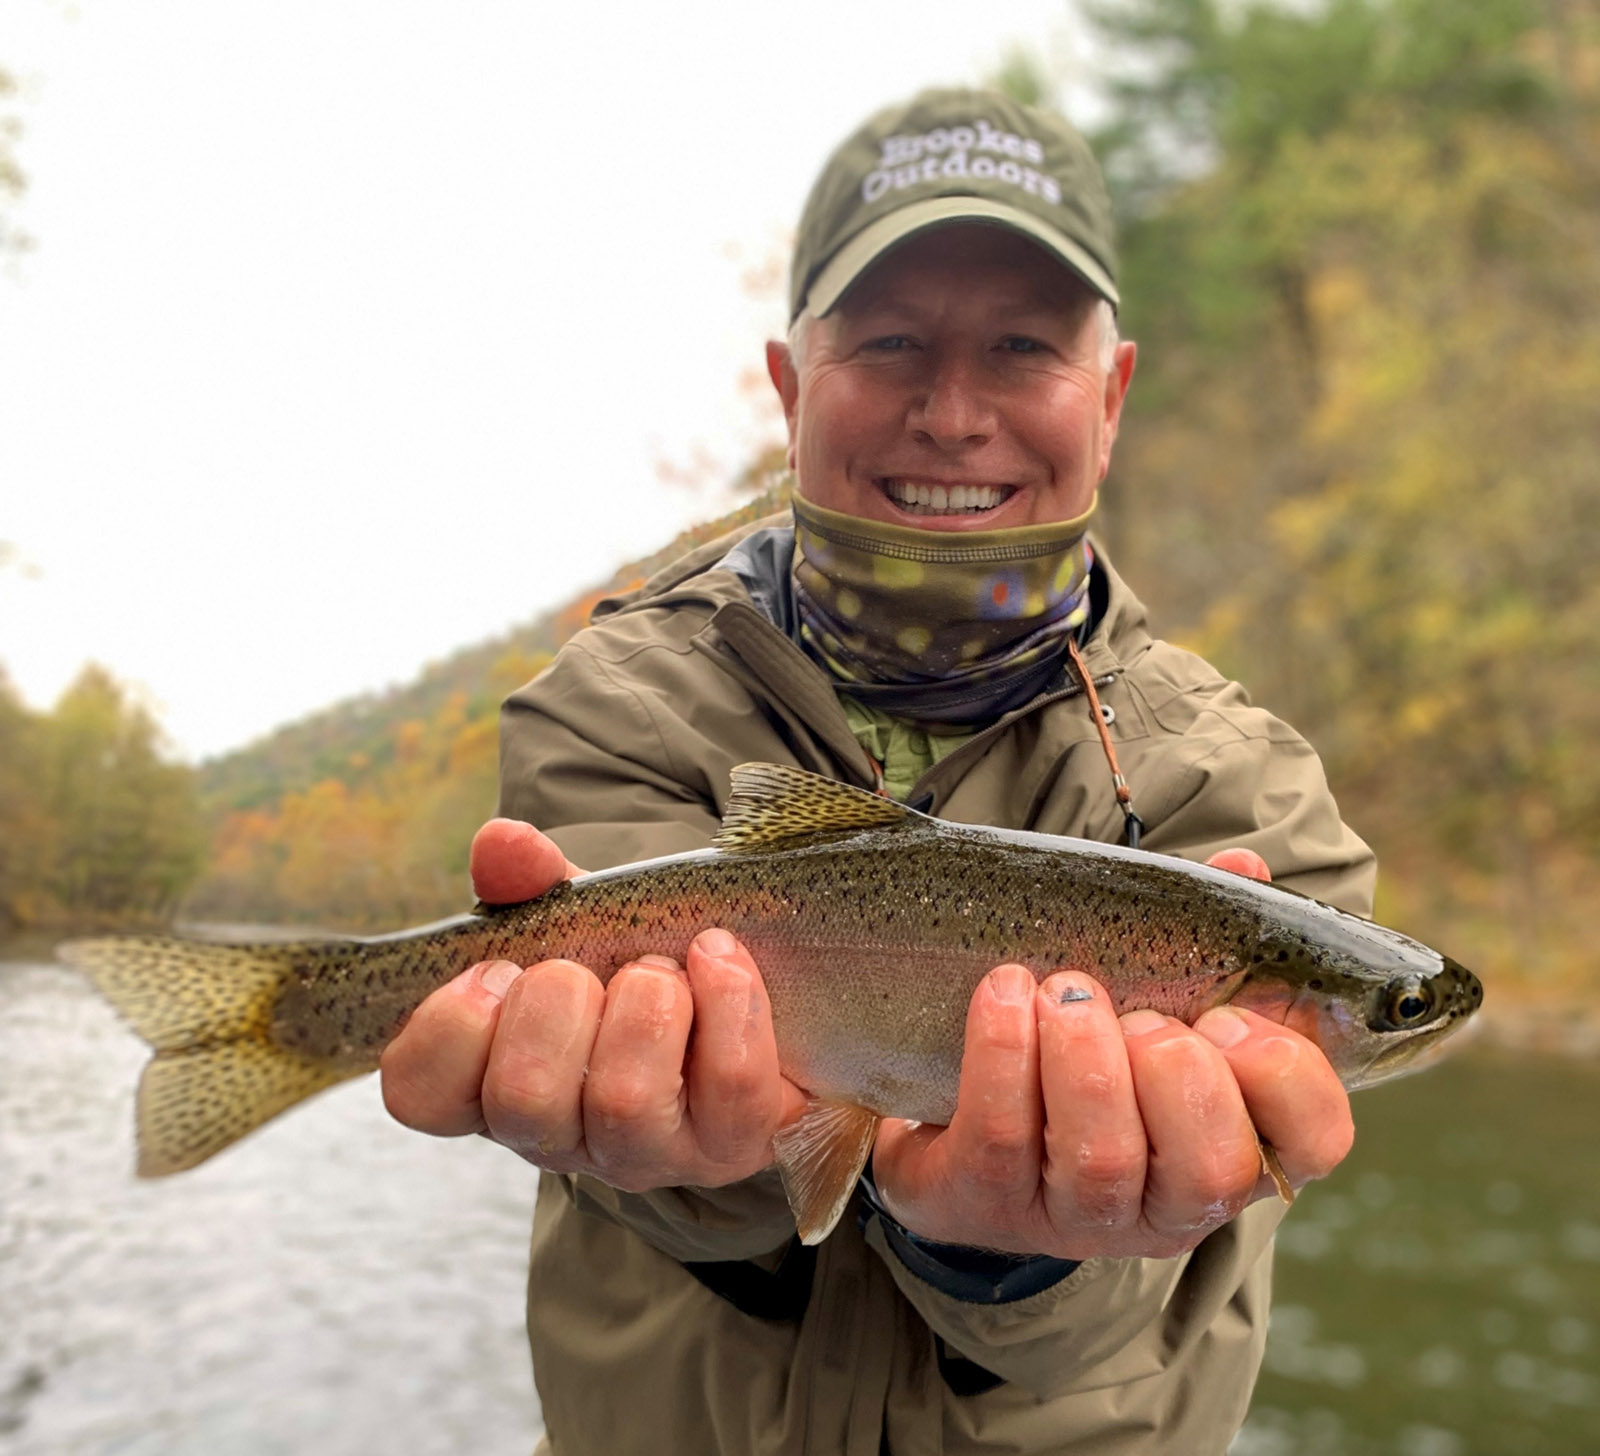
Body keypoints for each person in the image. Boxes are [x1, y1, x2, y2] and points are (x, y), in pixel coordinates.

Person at [380, 87, 1375, 1455]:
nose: (953, 413)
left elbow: (1161, 1331)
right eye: (892, 342)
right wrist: (692, 1160)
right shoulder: (615, 701)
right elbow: (661, 1193)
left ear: (1113, 392)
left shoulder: (1245, 794)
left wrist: (1020, 1255)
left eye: (1021, 346)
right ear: (792, 387)